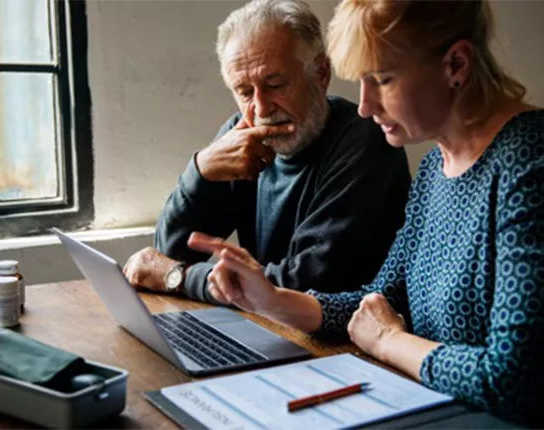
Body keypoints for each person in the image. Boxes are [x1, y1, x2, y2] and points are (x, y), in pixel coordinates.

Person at [188, 0, 544, 426]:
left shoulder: (531, 163)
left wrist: (391, 342)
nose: (364, 106)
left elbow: (513, 380)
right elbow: (379, 300)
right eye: (360, 81)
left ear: (456, 64)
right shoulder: (436, 168)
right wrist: (271, 299)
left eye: (382, 79)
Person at [123, 0, 411, 303]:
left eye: (275, 85)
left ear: (321, 73)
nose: (261, 108)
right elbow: (169, 251)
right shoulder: (242, 136)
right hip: (269, 328)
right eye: (245, 92)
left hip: (342, 340)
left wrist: (179, 278)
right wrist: (200, 170)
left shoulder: (366, 141)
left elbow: (307, 285)